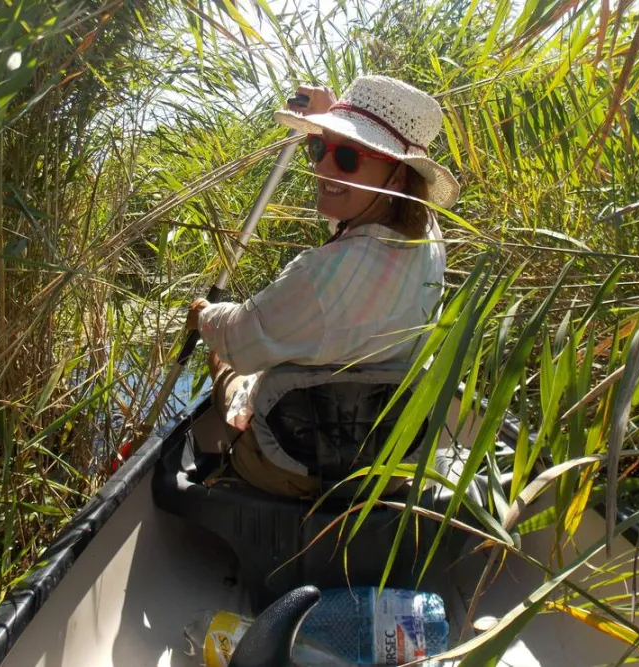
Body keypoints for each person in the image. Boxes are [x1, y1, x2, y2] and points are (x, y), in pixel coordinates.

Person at [185, 75, 459, 498]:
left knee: (225, 357)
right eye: (320, 148)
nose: (322, 167)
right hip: (390, 466)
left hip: (293, 467)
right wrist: (332, 119)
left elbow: (240, 339)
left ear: (397, 179)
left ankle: (237, 468)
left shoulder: (319, 277)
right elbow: (356, 214)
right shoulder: (427, 236)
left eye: (347, 157)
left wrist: (205, 316)